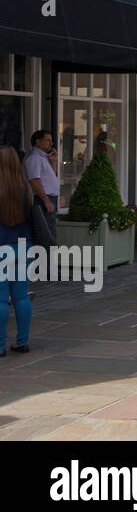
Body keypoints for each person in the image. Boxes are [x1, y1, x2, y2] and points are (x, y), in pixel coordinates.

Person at [0, 146, 34, 356]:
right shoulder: (26, 188)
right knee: (21, 296)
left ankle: (0, 345)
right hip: (23, 245)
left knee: (1, 299)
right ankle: (22, 341)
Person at [22, 130, 58, 245]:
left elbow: (50, 177)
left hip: (49, 198)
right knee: (45, 234)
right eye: (47, 140)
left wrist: (53, 162)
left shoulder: (43, 157)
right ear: (38, 141)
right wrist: (46, 200)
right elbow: (34, 180)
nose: (51, 144)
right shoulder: (35, 158)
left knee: (50, 231)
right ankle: (44, 261)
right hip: (43, 199)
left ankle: (48, 260)